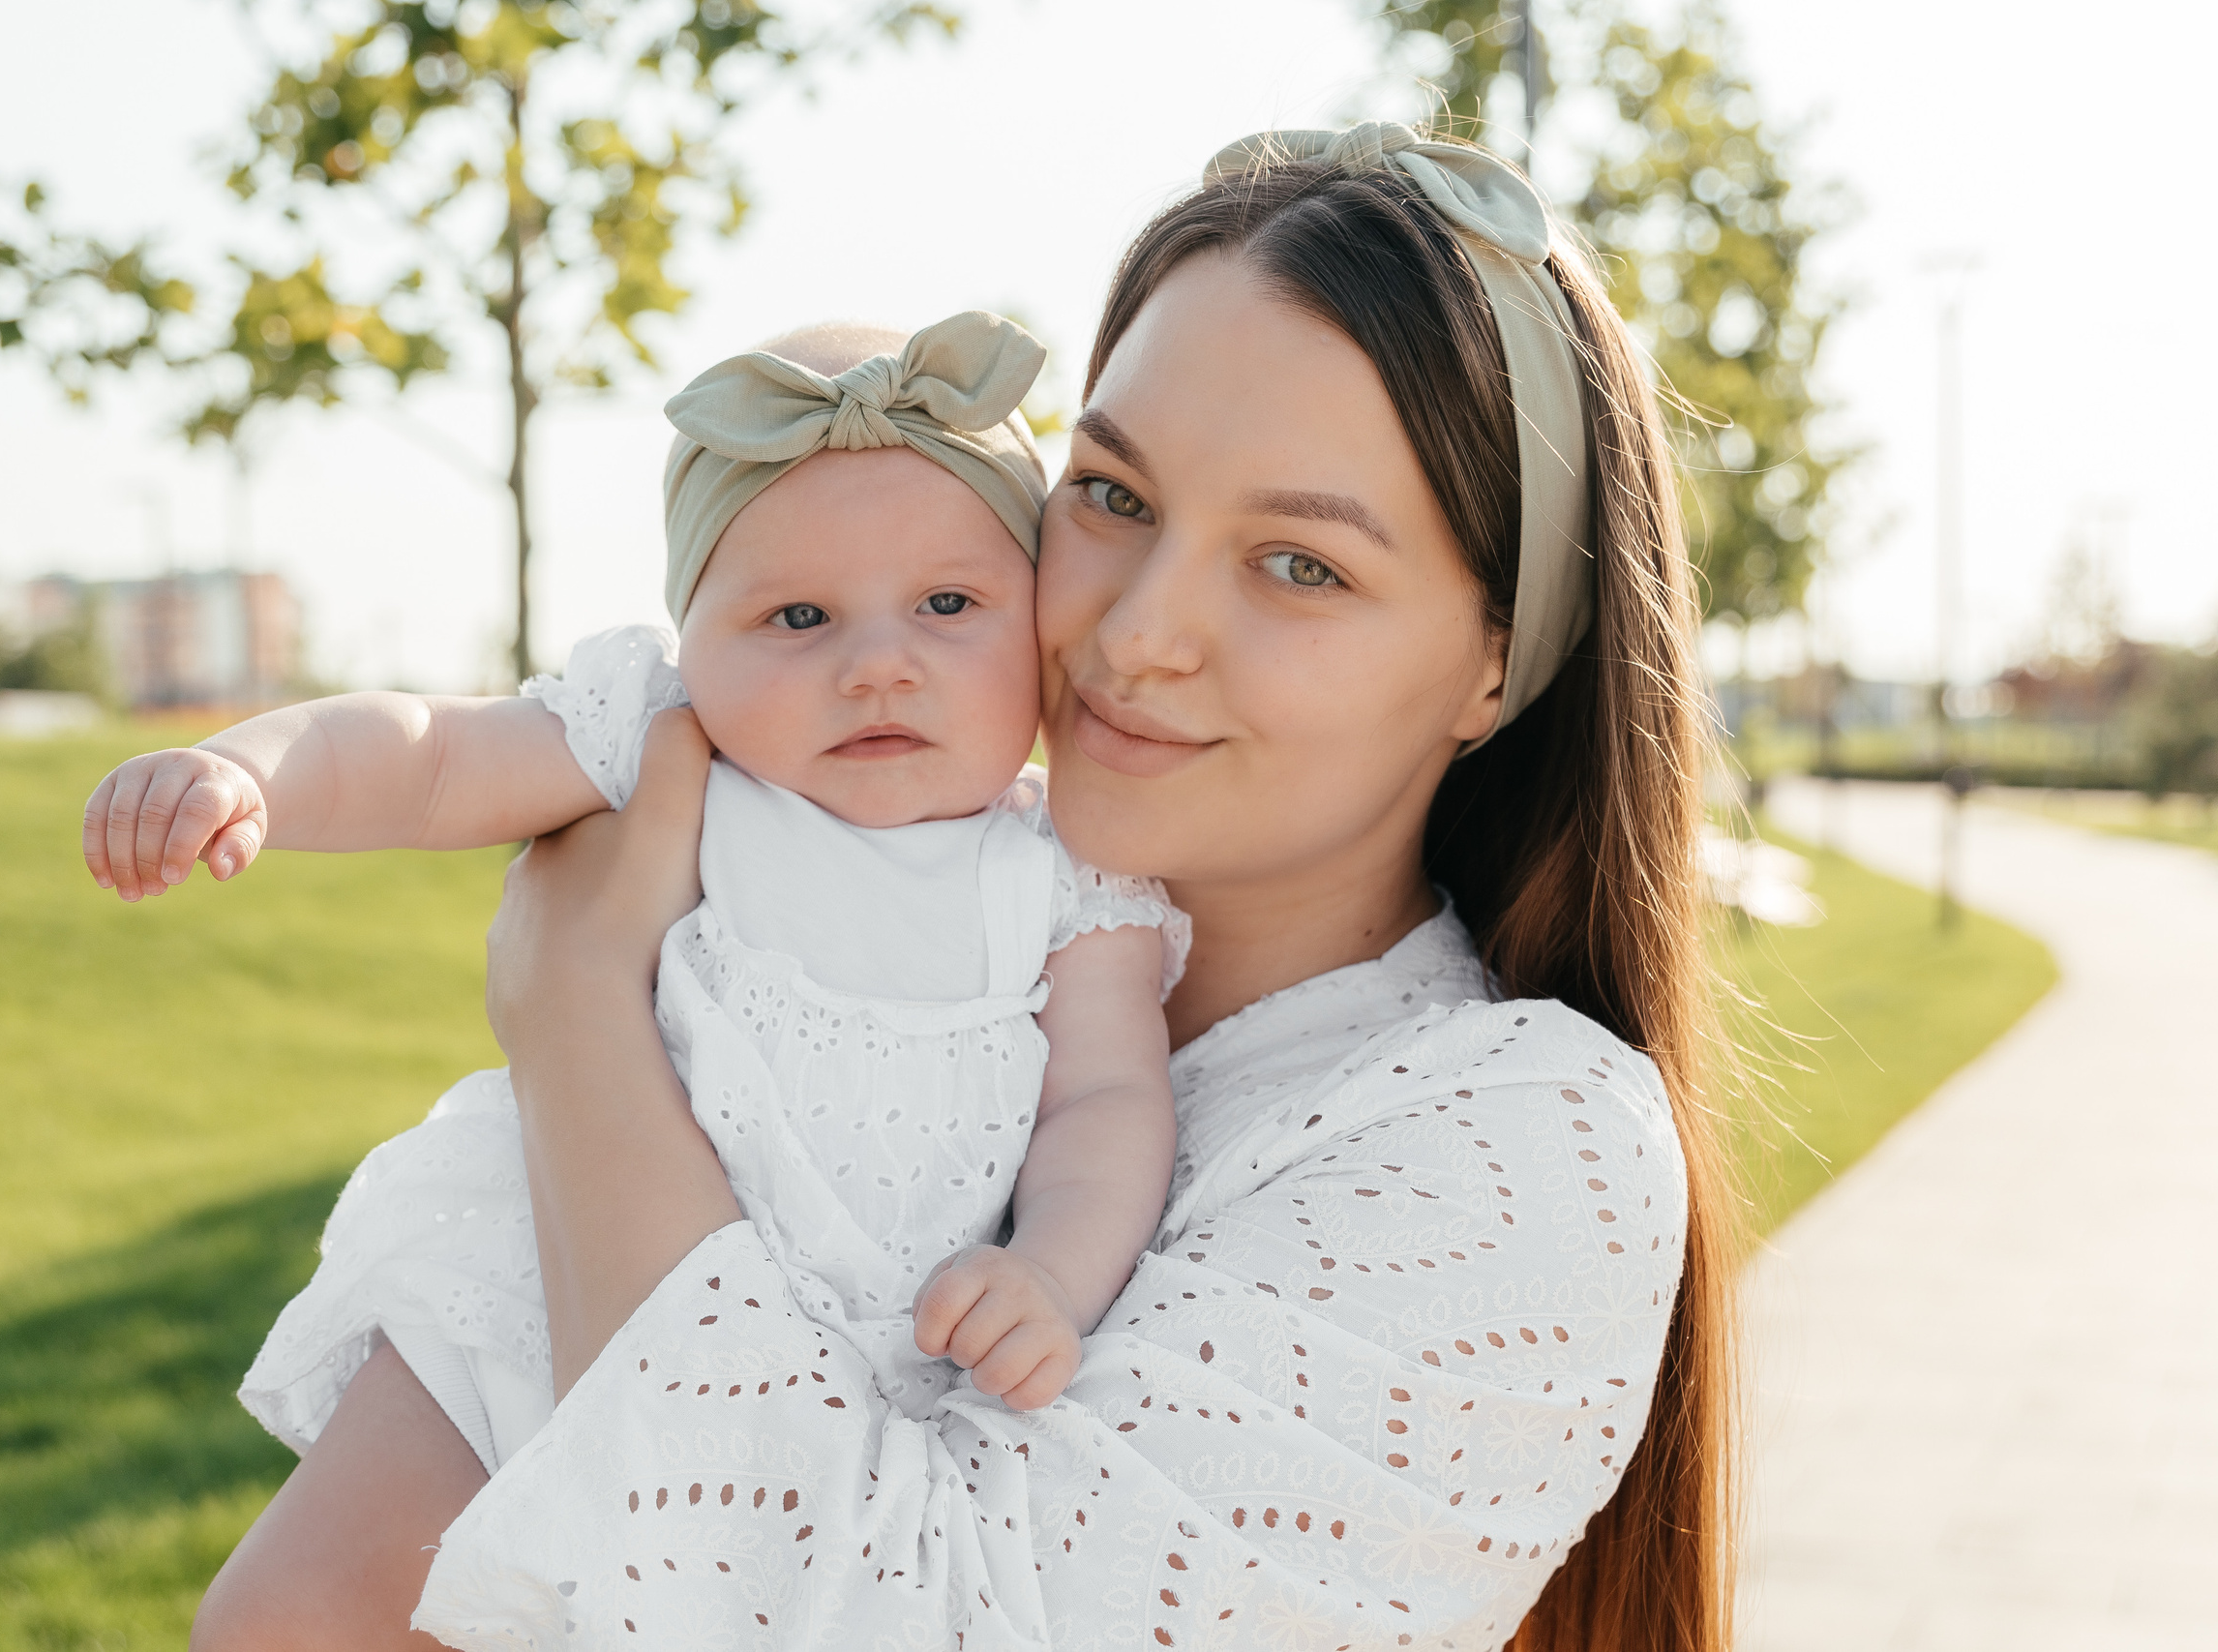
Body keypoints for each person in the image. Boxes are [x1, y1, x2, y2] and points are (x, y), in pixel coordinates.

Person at [194, 120, 1739, 1652]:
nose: (1138, 632)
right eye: (1116, 498)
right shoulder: (914, 875)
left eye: (1301, 564)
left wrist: (576, 1001)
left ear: (1495, 657)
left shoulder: (1521, 1142)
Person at [83, 313, 1190, 1450]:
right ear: (690, 638)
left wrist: (1050, 1274)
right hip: (546, 1274)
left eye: (947, 606)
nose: (877, 667)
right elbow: (430, 756)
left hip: (896, 1347)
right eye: (797, 617)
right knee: (293, 1620)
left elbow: (1106, 1104)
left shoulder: (1067, 870)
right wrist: (247, 772)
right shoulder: (667, 746)